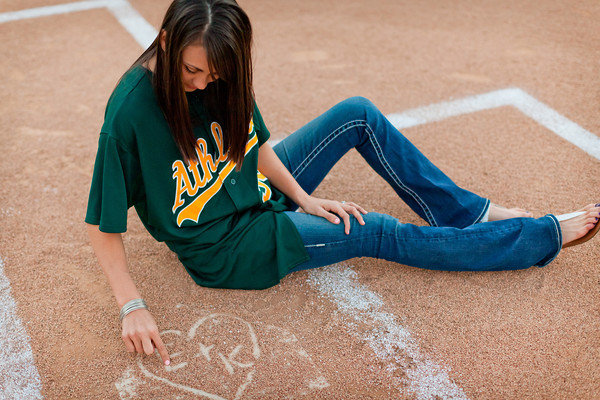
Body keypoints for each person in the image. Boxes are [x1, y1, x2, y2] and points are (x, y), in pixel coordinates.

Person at [84, 0, 599, 368]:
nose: (200, 85)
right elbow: (103, 227)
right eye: (192, 71)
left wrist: (305, 199)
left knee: (357, 115)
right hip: (228, 246)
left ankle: (472, 213)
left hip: (256, 192)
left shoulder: (223, 74)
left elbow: (255, 145)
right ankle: (540, 237)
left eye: (213, 76)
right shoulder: (129, 112)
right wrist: (132, 305)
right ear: (169, 39)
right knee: (372, 231)